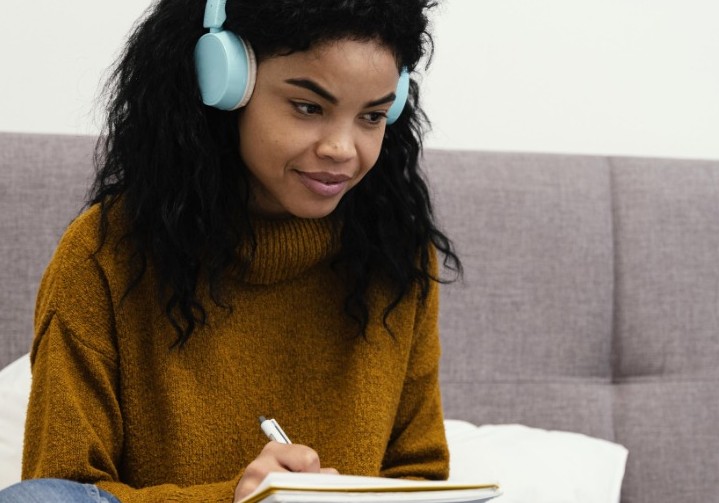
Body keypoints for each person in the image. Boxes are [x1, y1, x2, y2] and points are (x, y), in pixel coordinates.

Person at [0, 0, 461, 501]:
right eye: (308, 107)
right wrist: (235, 498)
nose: (343, 149)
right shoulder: (103, 255)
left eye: (372, 116)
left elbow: (420, 477)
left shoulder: (396, 254)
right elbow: (61, 490)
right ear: (223, 84)